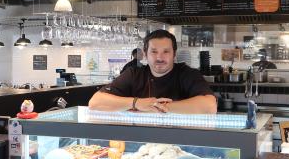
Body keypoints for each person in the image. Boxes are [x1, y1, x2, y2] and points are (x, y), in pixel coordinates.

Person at [89, 30, 217, 114]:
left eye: (166, 52)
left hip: (180, 140)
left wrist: (155, 107)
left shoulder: (187, 74)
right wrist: (137, 103)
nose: (160, 58)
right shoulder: (133, 74)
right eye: (154, 52)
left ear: (174, 54)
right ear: (145, 54)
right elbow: (95, 102)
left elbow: (210, 106)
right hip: (140, 139)